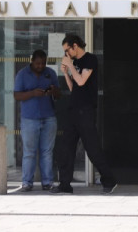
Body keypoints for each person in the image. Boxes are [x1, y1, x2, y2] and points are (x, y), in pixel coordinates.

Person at [55, 34, 118, 195]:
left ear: (75, 46)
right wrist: (67, 74)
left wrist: (70, 65)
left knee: (92, 148)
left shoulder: (90, 59)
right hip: (74, 109)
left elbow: (82, 81)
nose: (66, 54)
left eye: (67, 50)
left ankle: (109, 180)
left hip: (86, 110)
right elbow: (74, 87)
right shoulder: (74, 62)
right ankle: (64, 184)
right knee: (66, 147)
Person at [13, 49, 59, 192]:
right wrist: (32, 93)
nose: (41, 66)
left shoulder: (50, 73)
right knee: (29, 152)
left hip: (49, 117)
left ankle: (47, 182)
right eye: (38, 63)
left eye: (43, 63)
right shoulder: (22, 74)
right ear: (32, 61)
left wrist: (53, 91)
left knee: (47, 152)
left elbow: (59, 95)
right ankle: (27, 182)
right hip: (29, 119)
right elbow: (16, 95)